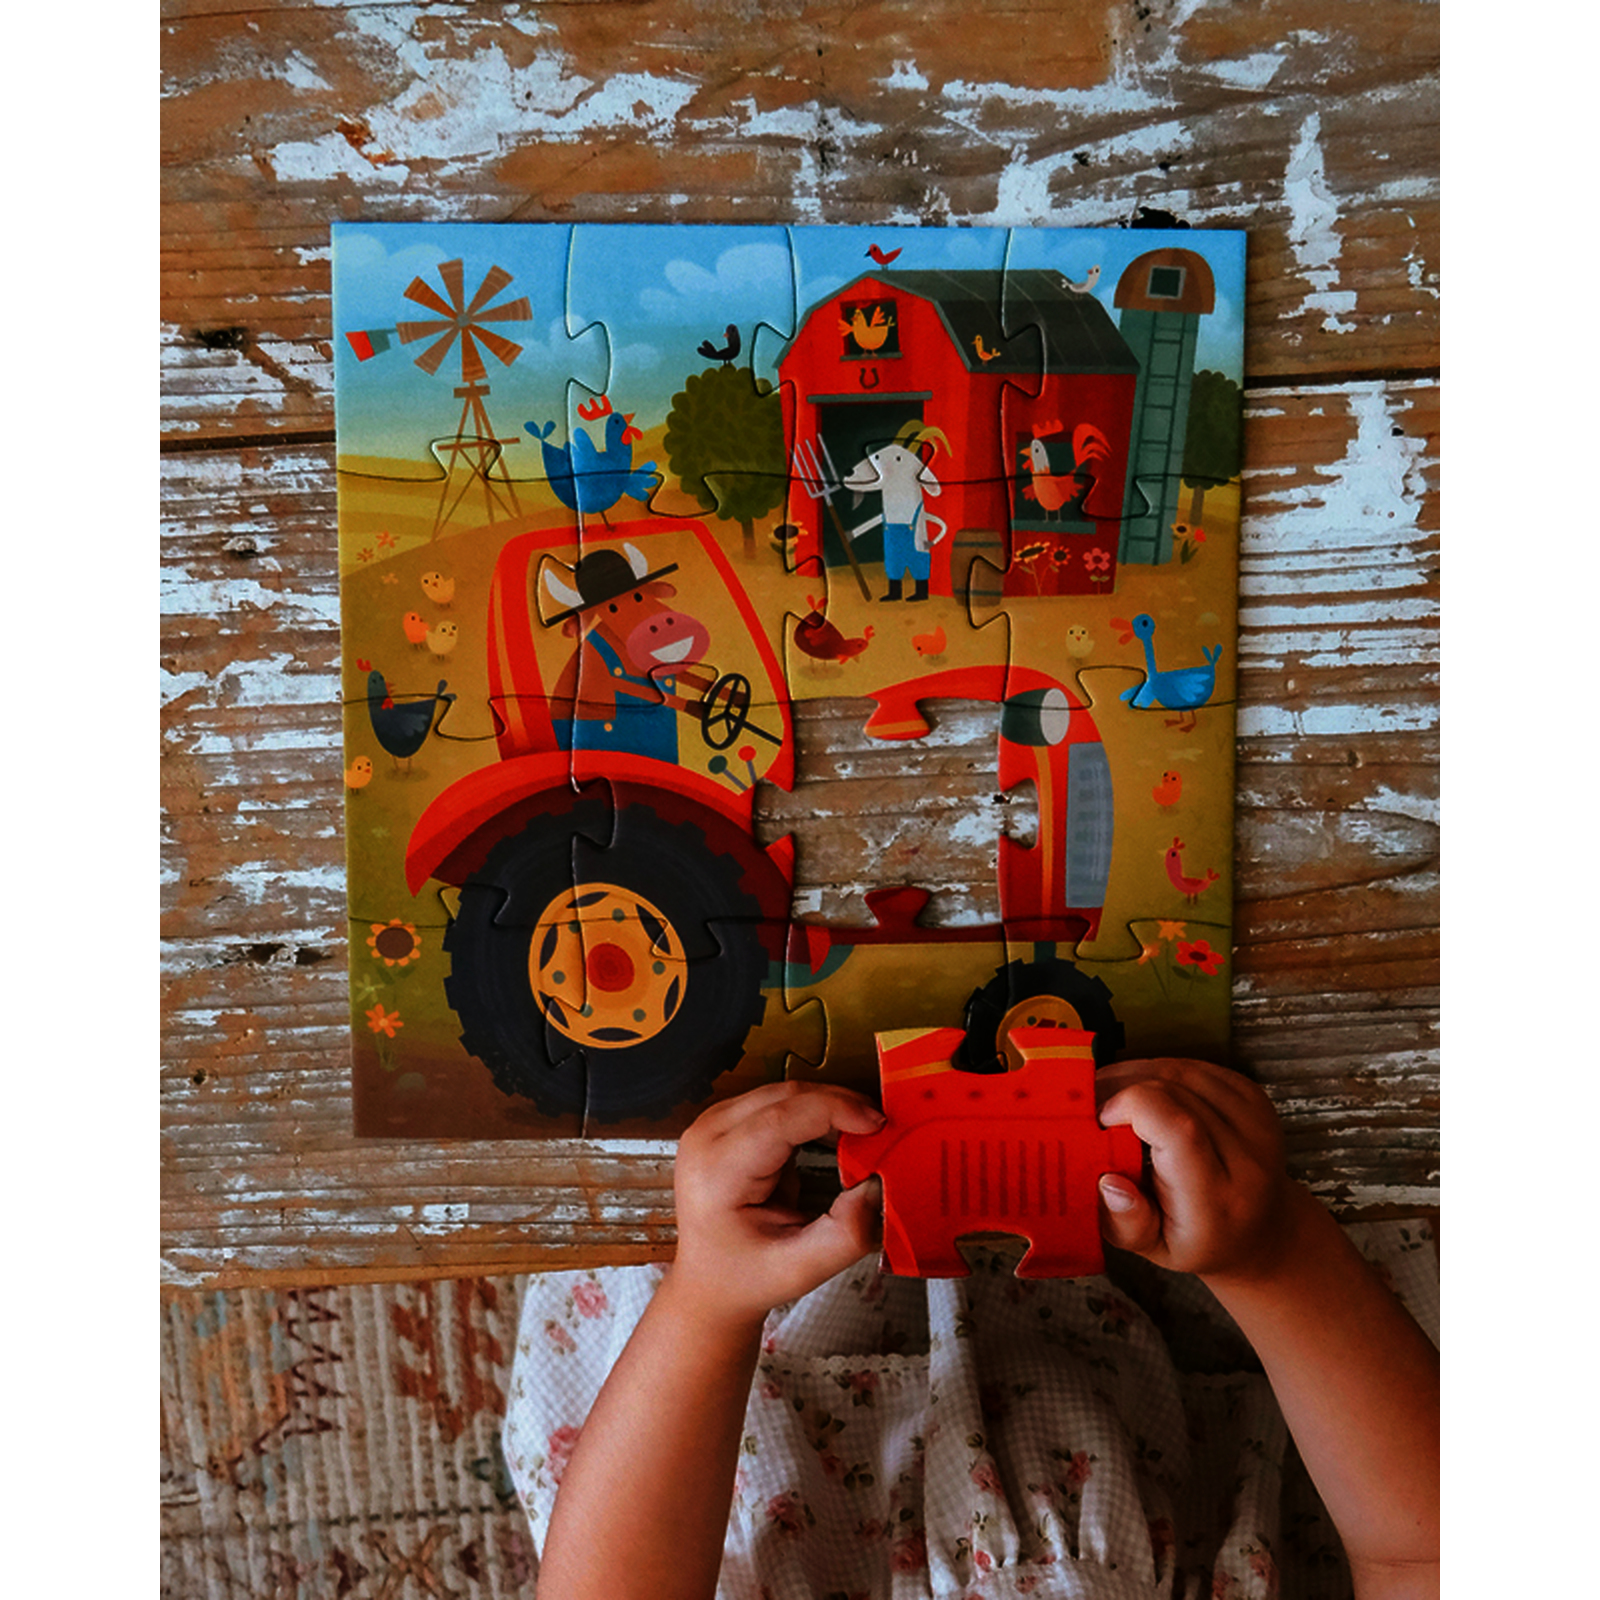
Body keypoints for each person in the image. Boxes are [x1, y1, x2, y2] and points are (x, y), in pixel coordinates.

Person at [506, 1061, 1439, 1600]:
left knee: (663, 1113)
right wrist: (1276, 1256)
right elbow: (1427, 1558)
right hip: (1202, 1318)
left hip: (747, 1355)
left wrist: (708, 1301)